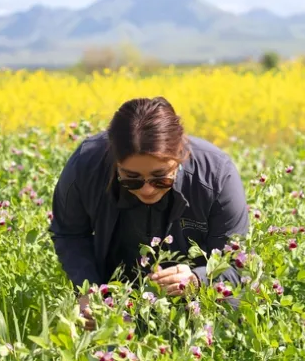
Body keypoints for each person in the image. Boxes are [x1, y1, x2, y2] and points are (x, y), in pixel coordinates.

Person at [49, 96, 250, 330]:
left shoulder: (215, 174)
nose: (146, 189)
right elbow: (70, 234)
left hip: (197, 308)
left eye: (160, 177)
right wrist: (90, 292)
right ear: (114, 161)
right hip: (116, 303)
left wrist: (198, 279)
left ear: (180, 156)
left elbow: (236, 262)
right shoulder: (86, 166)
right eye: (131, 179)